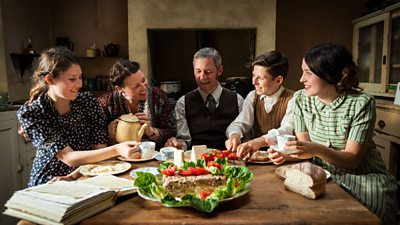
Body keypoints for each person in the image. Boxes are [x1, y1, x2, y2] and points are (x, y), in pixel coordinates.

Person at [268, 43, 397, 225]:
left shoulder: (362, 103)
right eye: (302, 71)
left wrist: (314, 149)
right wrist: (285, 155)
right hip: (321, 172)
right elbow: (307, 153)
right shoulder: (300, 100)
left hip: (362, 175)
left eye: (309, 73)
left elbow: (352, 159)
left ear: (329, 74)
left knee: (368, 210)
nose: (301, 79)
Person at [17, 47, 140, 187]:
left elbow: (99, 151)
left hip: (87, 174)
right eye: (72, 79)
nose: (80, 84)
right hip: (51, 179)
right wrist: (117, 149)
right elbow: (68, 157)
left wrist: (75, 175)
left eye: (80, 77)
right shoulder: (33, 112)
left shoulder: (88, 102)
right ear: (50, 79)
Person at [165, 47, 244, 150]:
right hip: (196, 162)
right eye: (198, 71)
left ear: (219, 70)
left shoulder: (238, 101)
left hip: (228, 160)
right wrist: (178, 145)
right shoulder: (183, 103)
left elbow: (245, 139)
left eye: (208, 72)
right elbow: (184, 141)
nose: (202, 77)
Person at [225, 51, 294, 159]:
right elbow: (240, 123)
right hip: (256, 157)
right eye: (253, 76)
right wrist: (234, 135)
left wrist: (258, 142)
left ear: (278, 80)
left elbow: (285, 130)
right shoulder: (253, 96)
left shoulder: (293, 99)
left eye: (261, 78)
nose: (254, 82)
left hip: (282, 158)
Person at [97, 59, 175, 147]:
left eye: (143, 80)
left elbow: (171, 133)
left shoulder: (158, 97)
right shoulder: (105, 104)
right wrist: (109, 135)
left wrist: (152, 132)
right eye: (136, 86)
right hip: (118, 157)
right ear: (119, 89)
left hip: (153, 155)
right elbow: (96, 141)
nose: (144, 87)